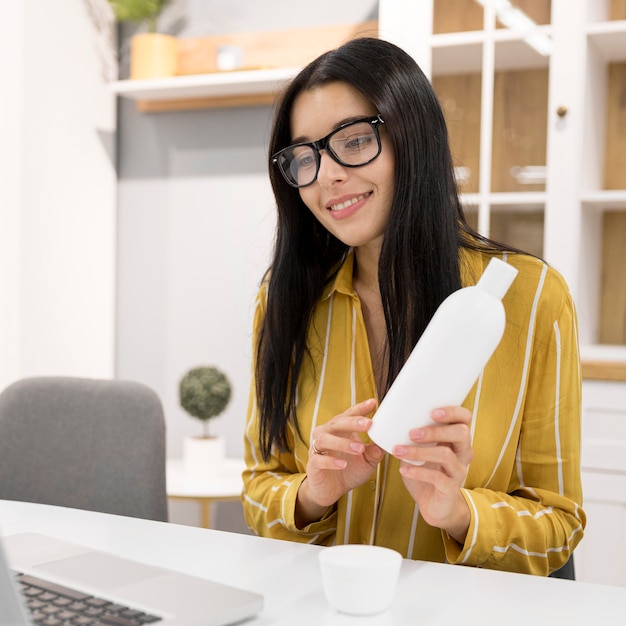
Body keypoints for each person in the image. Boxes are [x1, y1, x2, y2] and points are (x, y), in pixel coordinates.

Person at [242, 37, 585, 576]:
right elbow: (259, 486)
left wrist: (459, 514)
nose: (326, 176)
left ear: (414, 138)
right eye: (304, 157)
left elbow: (558, 526)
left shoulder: (534, 298)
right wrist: (313, 495)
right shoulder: (284, 300)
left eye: (354, 141)